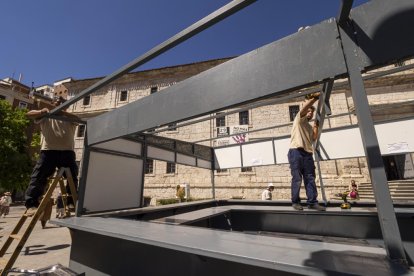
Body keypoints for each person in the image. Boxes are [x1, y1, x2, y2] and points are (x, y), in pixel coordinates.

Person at [24, 96, 80, 216]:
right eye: (58, 102)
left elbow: (78, 119)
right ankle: (32, 204)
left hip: (67, 151)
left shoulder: (69, 117)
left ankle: (71, 202)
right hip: (48, 151)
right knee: (39, 176)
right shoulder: (45, 115)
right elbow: (29, 114)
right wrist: (41, 111)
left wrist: (62, 112)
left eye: (63, 102)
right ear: (52, 103)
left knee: (72, 177)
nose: (60, 103)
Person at [288, 93, 326, 211]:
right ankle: (295, 202)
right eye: (309, 111)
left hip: (307, 153)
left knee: (310, 178)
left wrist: (316, 124)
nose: (310, 113)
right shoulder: (298, 119)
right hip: (296, 151)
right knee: (297, 178)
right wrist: (314, 98)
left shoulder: (308, 127)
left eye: (312, 112)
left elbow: (313, 137)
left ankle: (312, 202)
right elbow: (304, 108)